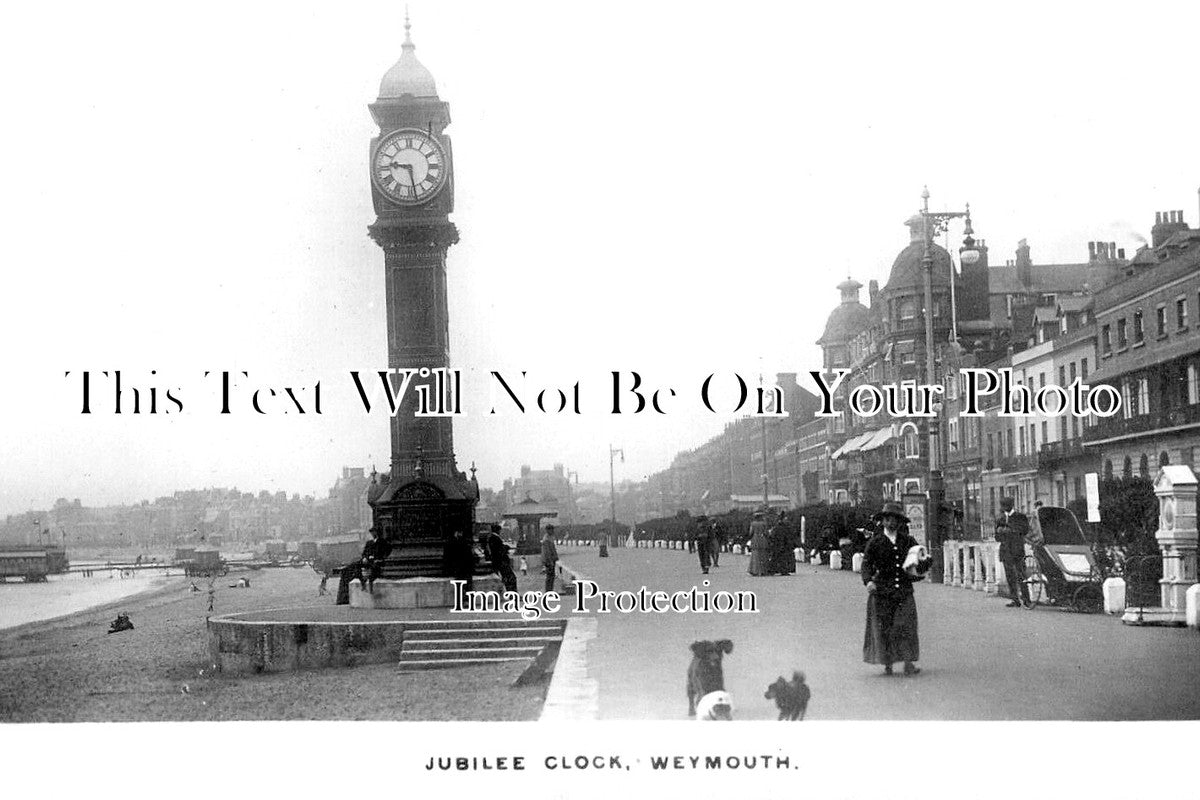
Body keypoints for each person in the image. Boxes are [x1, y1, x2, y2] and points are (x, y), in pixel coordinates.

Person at [862, 502, 931, 676]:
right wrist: (868, 581)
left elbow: (919, 557)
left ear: (900, 522)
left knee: (907, 626)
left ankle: (908, 663)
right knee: (885, 627)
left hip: (904, 591)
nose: (891, 522)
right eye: (888, 519)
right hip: (883, 592)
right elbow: (866, 564)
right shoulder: (875, 542)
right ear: (883, 521)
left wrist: (925, 562)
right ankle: (888, 664)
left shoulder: (907, 540)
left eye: (895, 519)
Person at [996, 497, 1033, 608]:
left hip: (1017, 550)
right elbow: (997, 537)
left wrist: (1009, 530)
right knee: (1010, 576)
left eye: (1006, 506)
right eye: (1003, 506)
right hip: (1005, 551)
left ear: (1011, 505)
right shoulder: (1000, 519)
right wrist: (1001, 532)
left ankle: (1026, 599)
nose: (1004, 508)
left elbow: (1025, 530)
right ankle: (1015, 599)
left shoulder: (1020, 517)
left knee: (1021, 575)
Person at [484, 523, 519, 592]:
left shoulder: (492, 538)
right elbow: (499, 550)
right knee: (511, 577)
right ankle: (513, 593)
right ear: (498, 530)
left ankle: (511, 592)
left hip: (499, 561)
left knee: (507, 578)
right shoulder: (495, 538)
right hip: (502, 561)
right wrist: (506, 548)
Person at [747, 511, 769, 576]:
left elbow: (750, 532)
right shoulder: (764, 523)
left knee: (755, 555)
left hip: (755, 539)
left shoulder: (753, 524)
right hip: (762, 539)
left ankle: (755, 570)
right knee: (763, 555)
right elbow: (766, 532)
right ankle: (763, 570)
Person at [541, 525, 559, 593]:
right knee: (550, 576)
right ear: (548, 530)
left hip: (551, 559)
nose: (553, 531)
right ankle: (548, 591)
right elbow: (547, 552)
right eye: (552, 529)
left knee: (551, 576)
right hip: (549, 560)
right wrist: (550, 561)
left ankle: (549, 590)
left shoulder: (549, 538)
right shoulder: (547, 539)